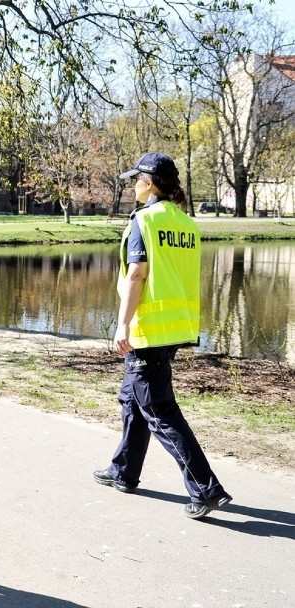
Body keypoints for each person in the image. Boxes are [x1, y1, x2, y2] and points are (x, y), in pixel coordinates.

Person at [92, 152, 232, 520]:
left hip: (148, 330)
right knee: (132, 398)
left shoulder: (144, 220)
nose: (133, 185)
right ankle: (124, 470)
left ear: (149, 182)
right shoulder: (185, 223)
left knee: (158, 409)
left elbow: (137, 275)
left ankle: (205, 489)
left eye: (136, 179)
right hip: (175, 328)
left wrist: (122, 325)